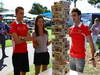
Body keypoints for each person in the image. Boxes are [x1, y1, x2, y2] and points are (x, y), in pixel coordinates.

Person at [68, 8, 96, 73]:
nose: (73, 17)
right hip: (71, 56)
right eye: (72, 16)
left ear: (79, 16)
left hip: (80, 57)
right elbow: (71, 42)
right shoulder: (70, 28)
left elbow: (91, 44)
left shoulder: (85, 28)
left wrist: (93, 57)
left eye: (74, 15)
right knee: (72, 73)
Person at [9, 7, 33, 75]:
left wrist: (21, 37)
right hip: (17, 53)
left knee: (24, 72)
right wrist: (25, 38)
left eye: (23, 13)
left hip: (25, 52)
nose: (22, 15)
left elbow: (30, 38)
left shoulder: (25, 25)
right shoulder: (13, 25)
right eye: (21, 13)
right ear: (16, 14)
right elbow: (17, 41)